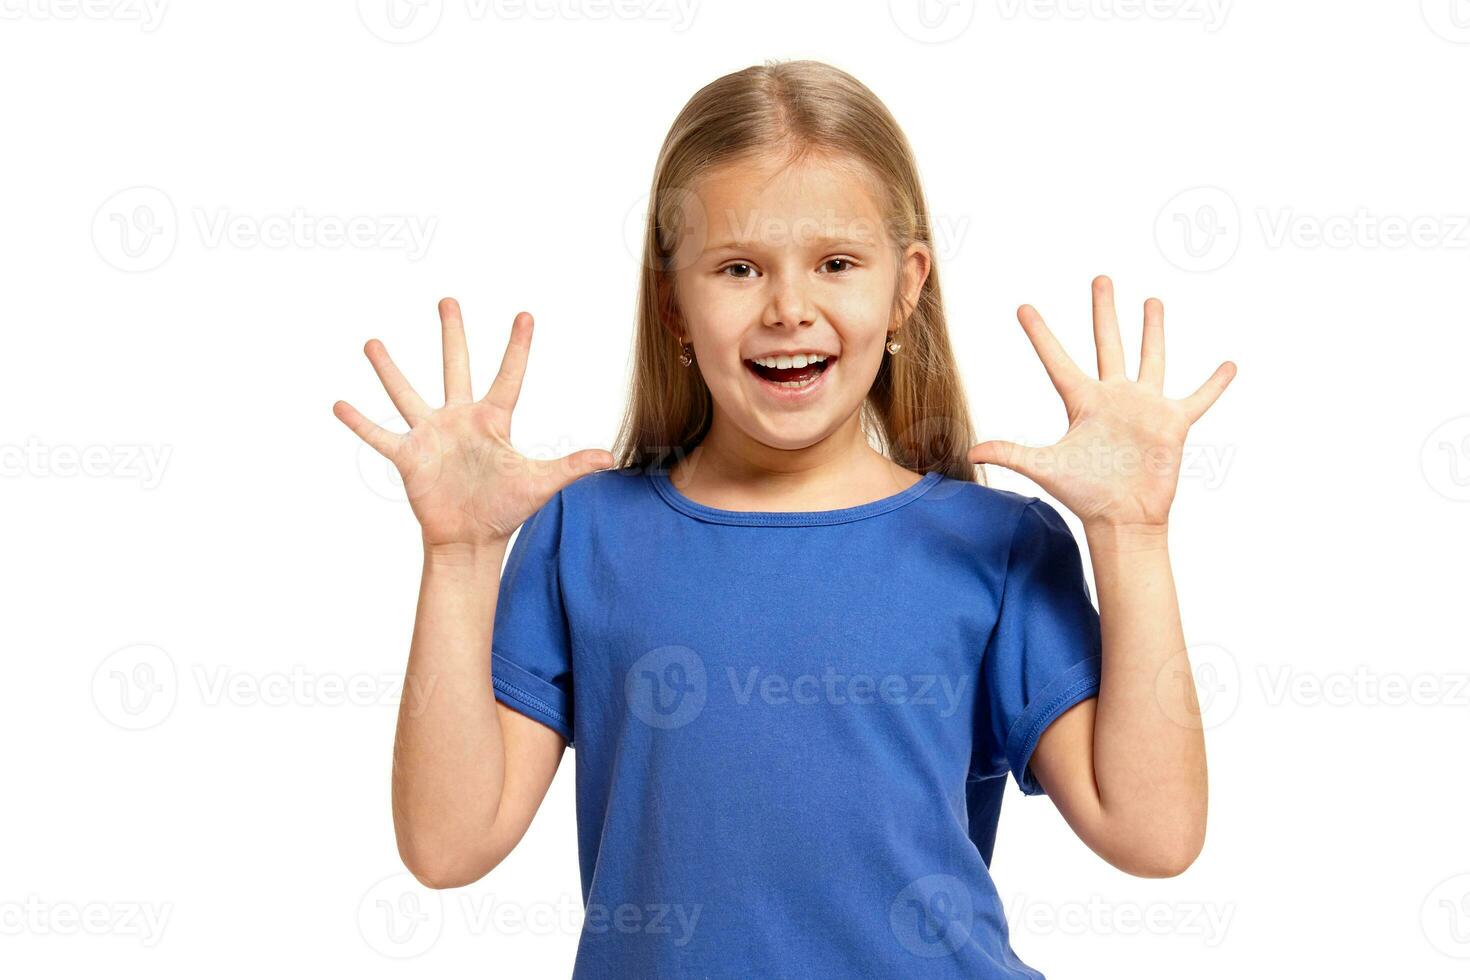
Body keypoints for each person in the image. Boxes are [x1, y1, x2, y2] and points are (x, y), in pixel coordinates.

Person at [332, 58, 1236, 979]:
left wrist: (1133, 536)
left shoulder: (995, 546)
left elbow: (1154, 835)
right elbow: (446, 848)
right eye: (738, 268)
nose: (789, 309)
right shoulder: (584, 535)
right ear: (674, 302)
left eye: (837, 264)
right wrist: (456, 555)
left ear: (906, 285)